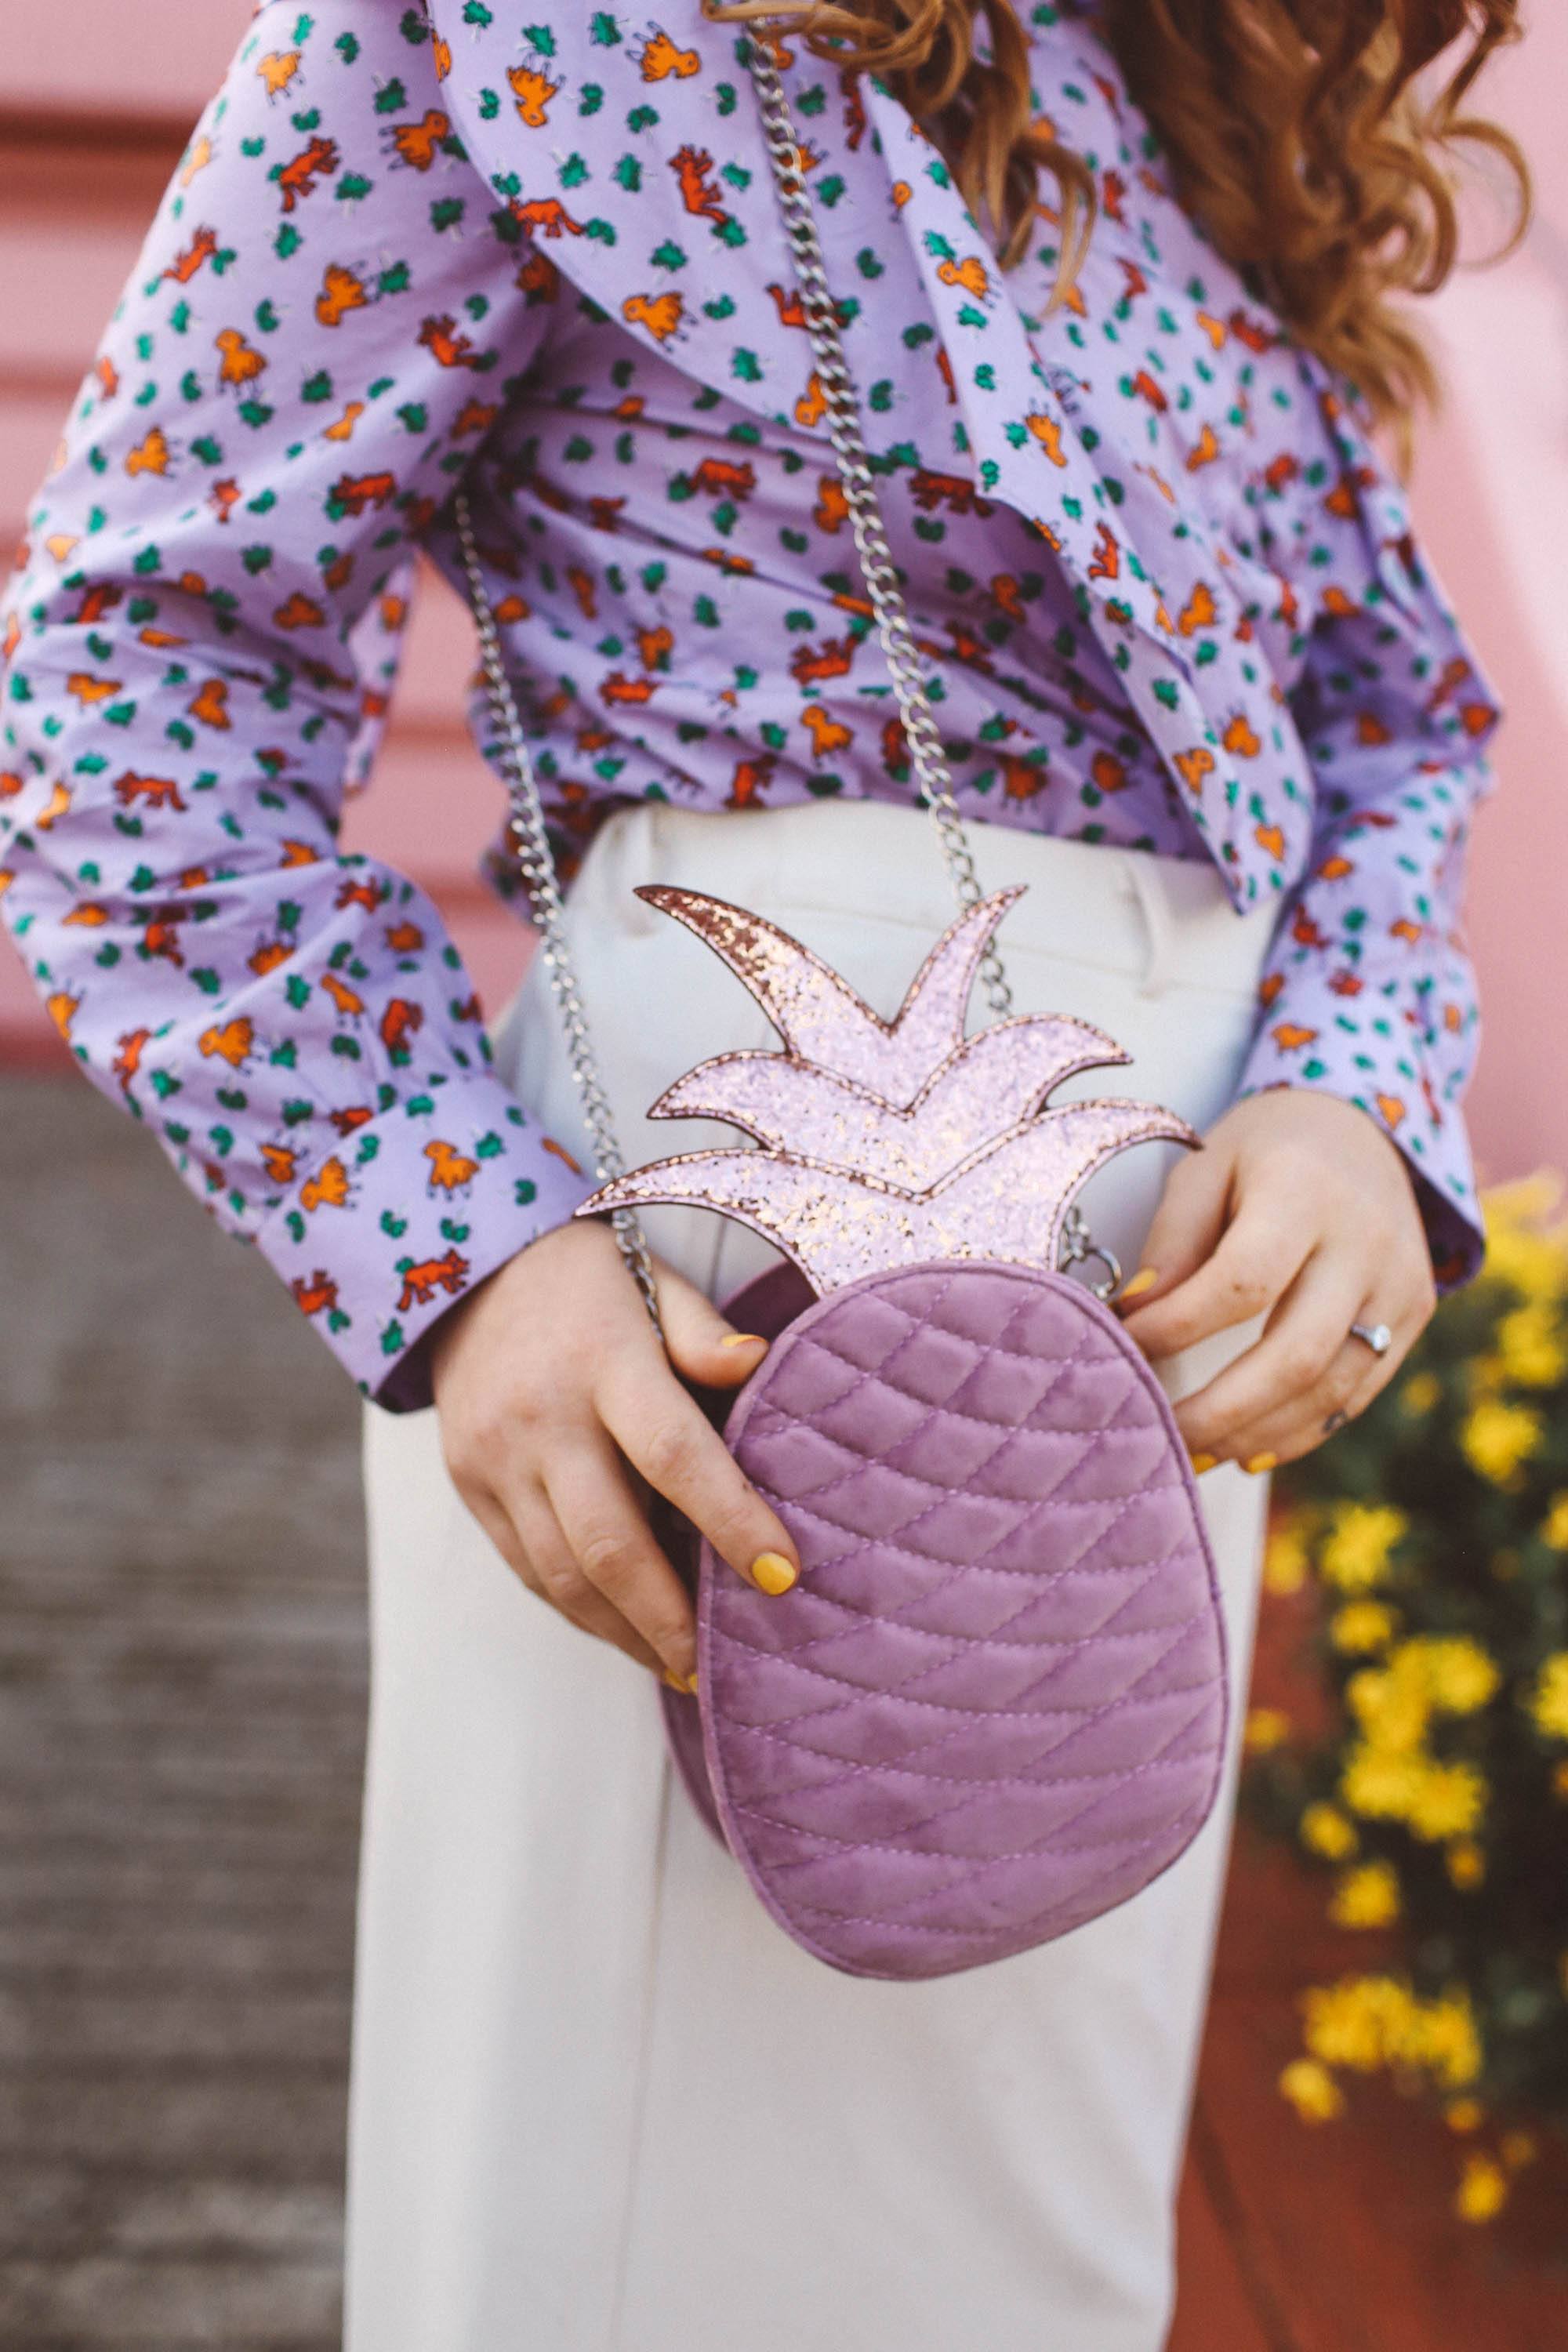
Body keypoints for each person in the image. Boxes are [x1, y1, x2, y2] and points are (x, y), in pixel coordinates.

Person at [0, 2, 1526, 2344]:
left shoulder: (1184, 87)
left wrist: (1355, 1087)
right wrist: (458, 1241)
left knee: (1018, 2270)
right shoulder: (514, 22)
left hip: (1155, 1324)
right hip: (724, 1282)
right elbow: (138, 665)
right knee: (657, 2246)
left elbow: (1390, 716)